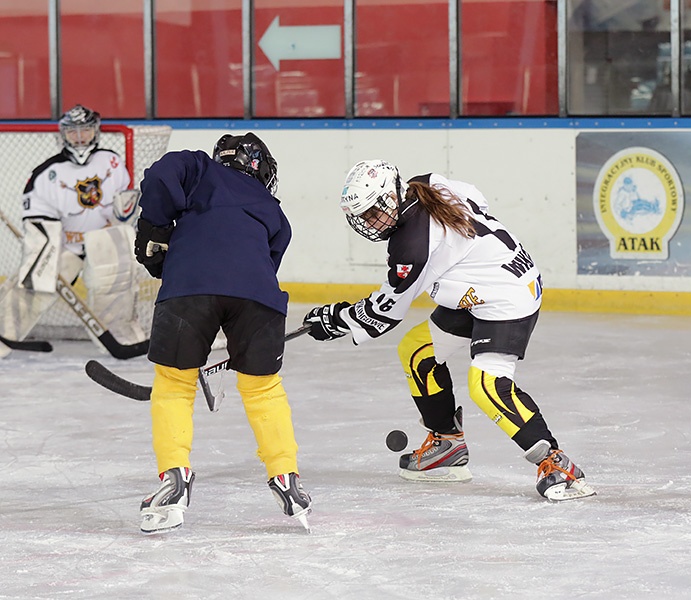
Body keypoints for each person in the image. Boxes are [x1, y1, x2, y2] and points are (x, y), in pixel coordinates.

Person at [302, 160, 594, 501]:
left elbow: (384, 312)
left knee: (486, 384)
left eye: (373, 212)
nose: (369, 223)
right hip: (482, 288)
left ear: (392, 197)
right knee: (416, 351)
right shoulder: (426, 184)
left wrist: (335, 319)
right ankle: (446, 444)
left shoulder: (411, 245)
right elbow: (476, 199)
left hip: (506, 297)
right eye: (362, 217)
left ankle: (557, 464)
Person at [133, 132, 311, 533]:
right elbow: (265, 265)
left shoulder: (199, 167)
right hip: (259, 298)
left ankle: (174, 480)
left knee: (175, 385)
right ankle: (287, 477)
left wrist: (155, 226)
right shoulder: (273, 209)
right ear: (260, 167)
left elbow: (160, 175)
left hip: (189, 288)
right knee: (263, 388)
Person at [0, 104, 144, 346]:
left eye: (85, 131)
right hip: (65, 246)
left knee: (115, 286)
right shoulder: (48, 173)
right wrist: (45, 252)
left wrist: (119, 222)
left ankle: (124, 338)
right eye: (73, 132)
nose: (79, 138)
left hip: (102, 242)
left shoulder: (111, 161)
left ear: (95, 132)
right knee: (34, 285)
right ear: (63, 134)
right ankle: (4, 336)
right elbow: (38, 219)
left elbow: (125, 204)